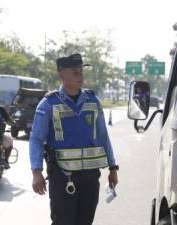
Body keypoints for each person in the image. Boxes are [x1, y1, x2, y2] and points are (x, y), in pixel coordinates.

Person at [29, 53, 119, 225]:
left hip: (91, 178)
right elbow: (36, 139)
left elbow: (103, 136)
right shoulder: (48, 104)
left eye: (81, 71)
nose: (80, 75)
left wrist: (113, 167)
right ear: (61, 75)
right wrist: (36, 172)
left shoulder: (93, 101)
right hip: (63, 177)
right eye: (75, 72)